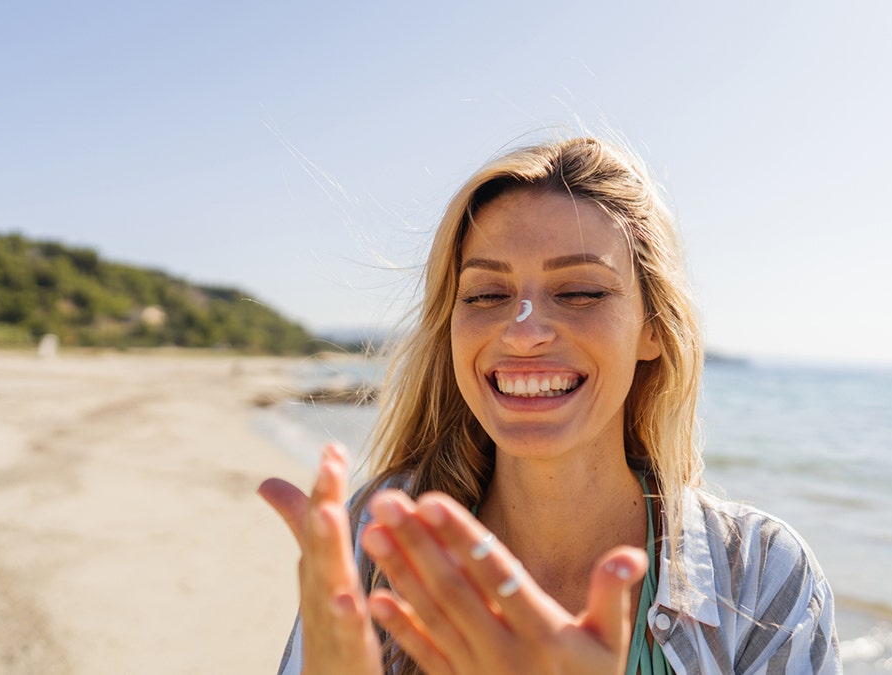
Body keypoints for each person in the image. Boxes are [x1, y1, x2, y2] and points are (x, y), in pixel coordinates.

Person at [259, 136, 841, 674]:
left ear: (653, 328)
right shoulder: (377, 532)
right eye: (487, 294)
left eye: (581, 292)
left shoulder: (764, 576)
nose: (523, 331)